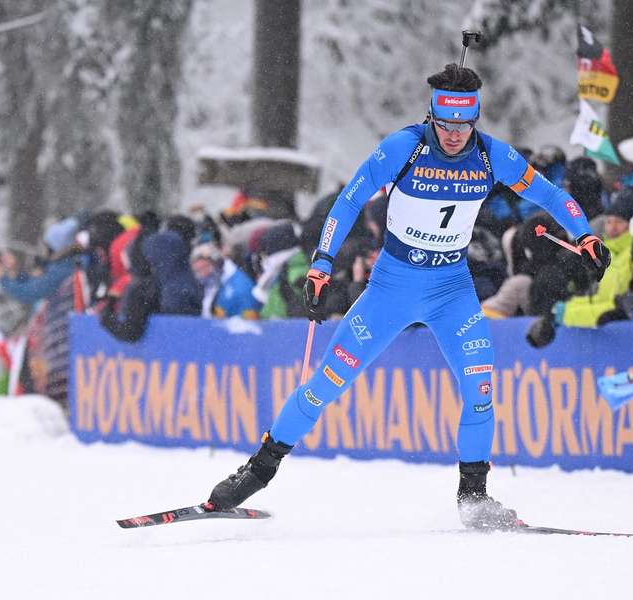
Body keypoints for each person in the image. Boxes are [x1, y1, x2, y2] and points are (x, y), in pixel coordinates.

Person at [206, 63, 610, 529]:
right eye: (445, 124)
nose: (454, 135)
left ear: (474, 120)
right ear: (432, 116)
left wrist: (584, 237)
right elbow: (349, 201)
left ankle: (474, 499)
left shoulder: (492, 156)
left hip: (452, 291)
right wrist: (321, 263)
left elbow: (553, 196)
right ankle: (255, 472)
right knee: (324, 387)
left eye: (463, 125)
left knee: (480, 391)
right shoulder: (404, 147)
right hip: (391, 291)